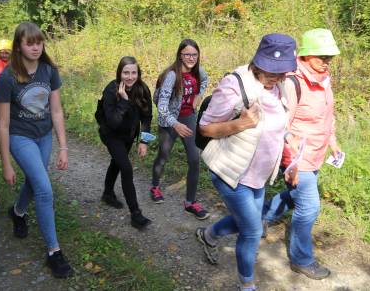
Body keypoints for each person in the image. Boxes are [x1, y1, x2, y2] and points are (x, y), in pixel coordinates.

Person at [195, 33, 298, 291]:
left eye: (282, 71)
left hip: (259, 174)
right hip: (232, 173)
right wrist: (241, 123)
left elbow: (276, 123)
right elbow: (205, 128)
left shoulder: (281, 86)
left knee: (249, 219)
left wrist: (288, 137)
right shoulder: (234, 86)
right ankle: (247, 286)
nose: (276, 77)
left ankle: (208, 235)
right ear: (257, 61)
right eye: (270, 70)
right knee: (252, 231)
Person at [261, 28, 342, 280]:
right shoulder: (293, 82)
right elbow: (282, 126)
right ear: (306, 55)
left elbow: (327, 114)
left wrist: (334, 142)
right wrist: (291, 164)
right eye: (321, 55)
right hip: (297, 155)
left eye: (330, 56)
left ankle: (261, 216)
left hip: (317, 151)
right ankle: (301, 259)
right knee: (309, 206)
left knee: (296, 196)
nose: (326, 60)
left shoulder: (324, 78)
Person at [0, 22, 73, 279]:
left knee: (34, 179)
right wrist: (6, 162)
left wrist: (63, 147)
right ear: (19, 45)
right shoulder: (7, 77)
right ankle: (54, 252)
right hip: (20, 137)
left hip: (44, 135)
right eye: (30, 43)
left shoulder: (49, 71)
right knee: (43, 188)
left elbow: (57, 110)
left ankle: (17, 212)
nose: (36, 47)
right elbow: (3, 123)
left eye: (39, 42)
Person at [150, 39, 209, 219]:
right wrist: (175, 123)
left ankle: (190, 202)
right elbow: (161, 106)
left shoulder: (198, 71)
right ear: (180, 55)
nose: (191, 58)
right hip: (170, 120)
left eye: (194, 54)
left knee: (194, 158)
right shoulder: (171, 76)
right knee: (164, 154)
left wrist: (198, 97)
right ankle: (155, 186)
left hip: (188, 117)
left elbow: (206, 80)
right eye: (187, 54)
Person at [98, 56, 152, 229]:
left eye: (134, 72)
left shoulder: (143, 89)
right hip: (111, 134)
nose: (130, 77)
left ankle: (107, 194)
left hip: (129, 135)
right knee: (126, 168)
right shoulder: (111, 89)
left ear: (138, 73)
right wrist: (124, 101)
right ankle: (135, 213)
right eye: (126, 72)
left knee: (117, 162)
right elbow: (113, 121)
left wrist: (144, 141)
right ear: (119, 73)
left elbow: (147, 118)